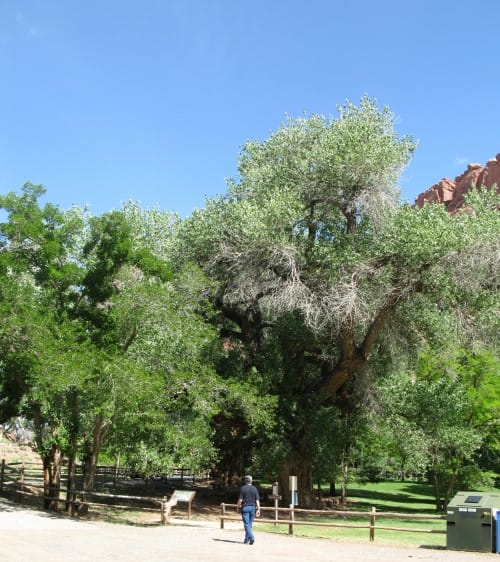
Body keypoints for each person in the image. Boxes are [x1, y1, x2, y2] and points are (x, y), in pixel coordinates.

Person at [236, 474, 261, 545]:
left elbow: (240, 500)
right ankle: (246, 540)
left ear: (245, 481)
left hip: (245, 507)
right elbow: (257, 500)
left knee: (246, 524)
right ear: (251, 481)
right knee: (249, 524)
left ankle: (252, 538)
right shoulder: (254, 489)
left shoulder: (243, 488)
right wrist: (258, 509)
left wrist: (238, 507)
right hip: (253, 508)